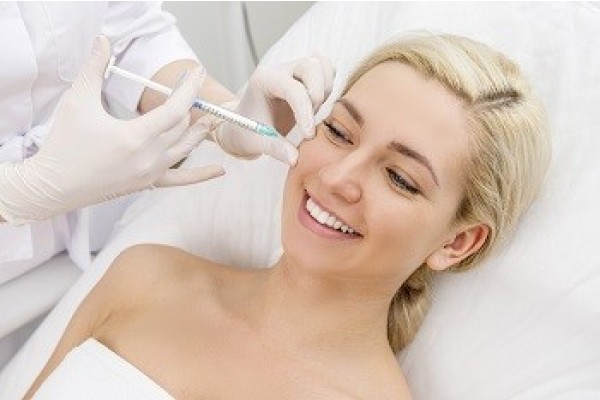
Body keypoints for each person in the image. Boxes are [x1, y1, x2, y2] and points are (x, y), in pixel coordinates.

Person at [24, 33, 550, 398]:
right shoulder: (147, 277)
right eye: (339, 131)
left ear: (457, 243)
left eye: (400, 178)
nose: (338, 177)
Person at [0, 2, 333, 368]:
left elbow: (130, 34)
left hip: (92, 236)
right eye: (343, 134)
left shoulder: (153, 261)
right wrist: (12, 195)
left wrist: (225, 113)